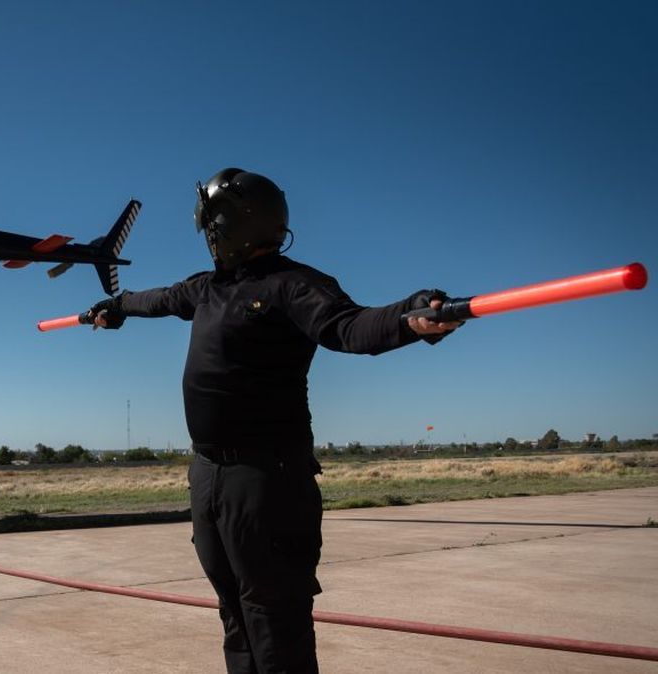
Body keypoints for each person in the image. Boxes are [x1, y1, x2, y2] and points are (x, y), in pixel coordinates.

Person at [85, 168, 462, 673]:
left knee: (274, 620)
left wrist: (409, 317)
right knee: (235, 616)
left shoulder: (293, 285)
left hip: (267, 480)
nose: (209, 242)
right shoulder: (208, 289)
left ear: (230, 227)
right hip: (208, 476)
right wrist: (117, 307)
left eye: (211, 231)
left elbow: (350, 326)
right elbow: (157, 298)